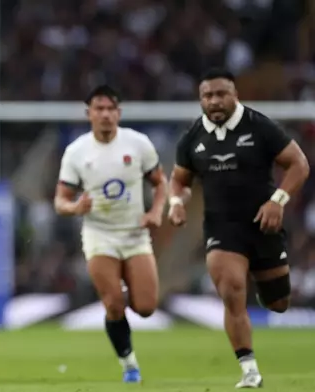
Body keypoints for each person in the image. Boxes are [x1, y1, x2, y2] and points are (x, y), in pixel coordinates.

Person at [168, 68, 310, 388]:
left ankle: (265, 293)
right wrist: (175, 202)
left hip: (264, 225)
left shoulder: (260, 127)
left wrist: (278, 201)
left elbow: (299, 164)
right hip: (222, 228)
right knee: (232, 289)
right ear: (200, 99)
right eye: (208, 96)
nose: (215, 101)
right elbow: (179, 179)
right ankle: (249, 370)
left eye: (221, 94)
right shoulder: (192, 137)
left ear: (235, 95)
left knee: (278, 303)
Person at [53, 85, 168, 383]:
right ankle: (129, 364)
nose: (105, 114)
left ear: (119, 112)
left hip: (134, 234)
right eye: (99, 109)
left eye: (110, 109)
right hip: (98, 234)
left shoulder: (138, 144)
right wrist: (76, 207)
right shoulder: (77, 152)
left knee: (145, 307)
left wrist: (156, 212)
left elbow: (160, 182)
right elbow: (60, 200)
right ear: (89, 113)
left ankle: (128, 288)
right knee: (114, 303)